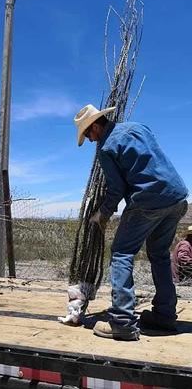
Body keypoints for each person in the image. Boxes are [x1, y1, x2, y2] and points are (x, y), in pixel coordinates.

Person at [74, 104, 188, 341]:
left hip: (148, 202)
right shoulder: (138, 127)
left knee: (121, 253)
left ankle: (122, 322)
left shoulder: (106, 148)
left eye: (88, 134)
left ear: (95, 125)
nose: (91, 140)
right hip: (177, 198)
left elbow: (116, 190)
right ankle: (165, 317)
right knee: (158, 254)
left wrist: (102, 214)